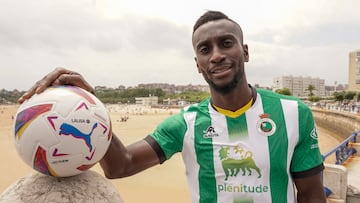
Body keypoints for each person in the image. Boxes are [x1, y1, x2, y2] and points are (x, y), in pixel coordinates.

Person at [19, 10, 326, 203]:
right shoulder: (186, 123)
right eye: (205, 50)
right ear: (198, 64)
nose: (216, 55)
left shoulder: (293, 113)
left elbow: (311, 196)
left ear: (245, 52)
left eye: (226, 43)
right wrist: (91, 105)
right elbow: (120, 165)